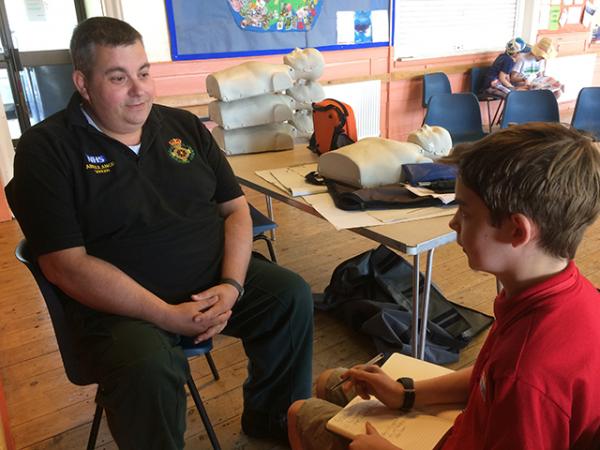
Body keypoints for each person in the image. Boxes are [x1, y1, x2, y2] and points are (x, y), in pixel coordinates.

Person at [5, 17, 314, 449]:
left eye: (144, 72)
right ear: (83, 83)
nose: (140, 90)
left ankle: (272, 417)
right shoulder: (47, 149)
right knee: (148, 365)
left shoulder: (182, 127)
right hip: (122, 309)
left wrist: (231, 286)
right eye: (118, 77)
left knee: (290, 296)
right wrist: (166, 315)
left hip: (209, 283)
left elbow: (236, 211)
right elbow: (65, 265)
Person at [288, 122, 600, 450]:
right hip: (473, 429)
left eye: (464, 211)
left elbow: (508, 379)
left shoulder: (526, 375)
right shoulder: (565, 295)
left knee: (300, 413)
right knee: (330, 382)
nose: (453, 223)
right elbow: (487, 377)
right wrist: (407, 394)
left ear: (516, 231)